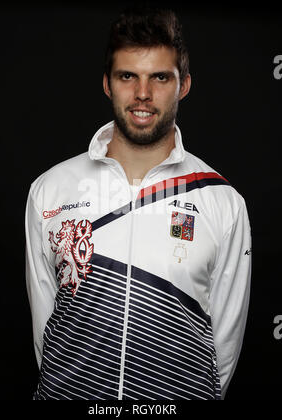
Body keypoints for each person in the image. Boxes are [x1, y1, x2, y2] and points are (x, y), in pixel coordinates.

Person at [25, 7, 251, 400]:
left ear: (184, 86)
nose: (143, 94)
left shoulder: (222, 201)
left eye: (160, 77)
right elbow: (49, 331)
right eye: (127, 76)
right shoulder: (50, 189)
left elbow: (222, 350)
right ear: (108, 85)